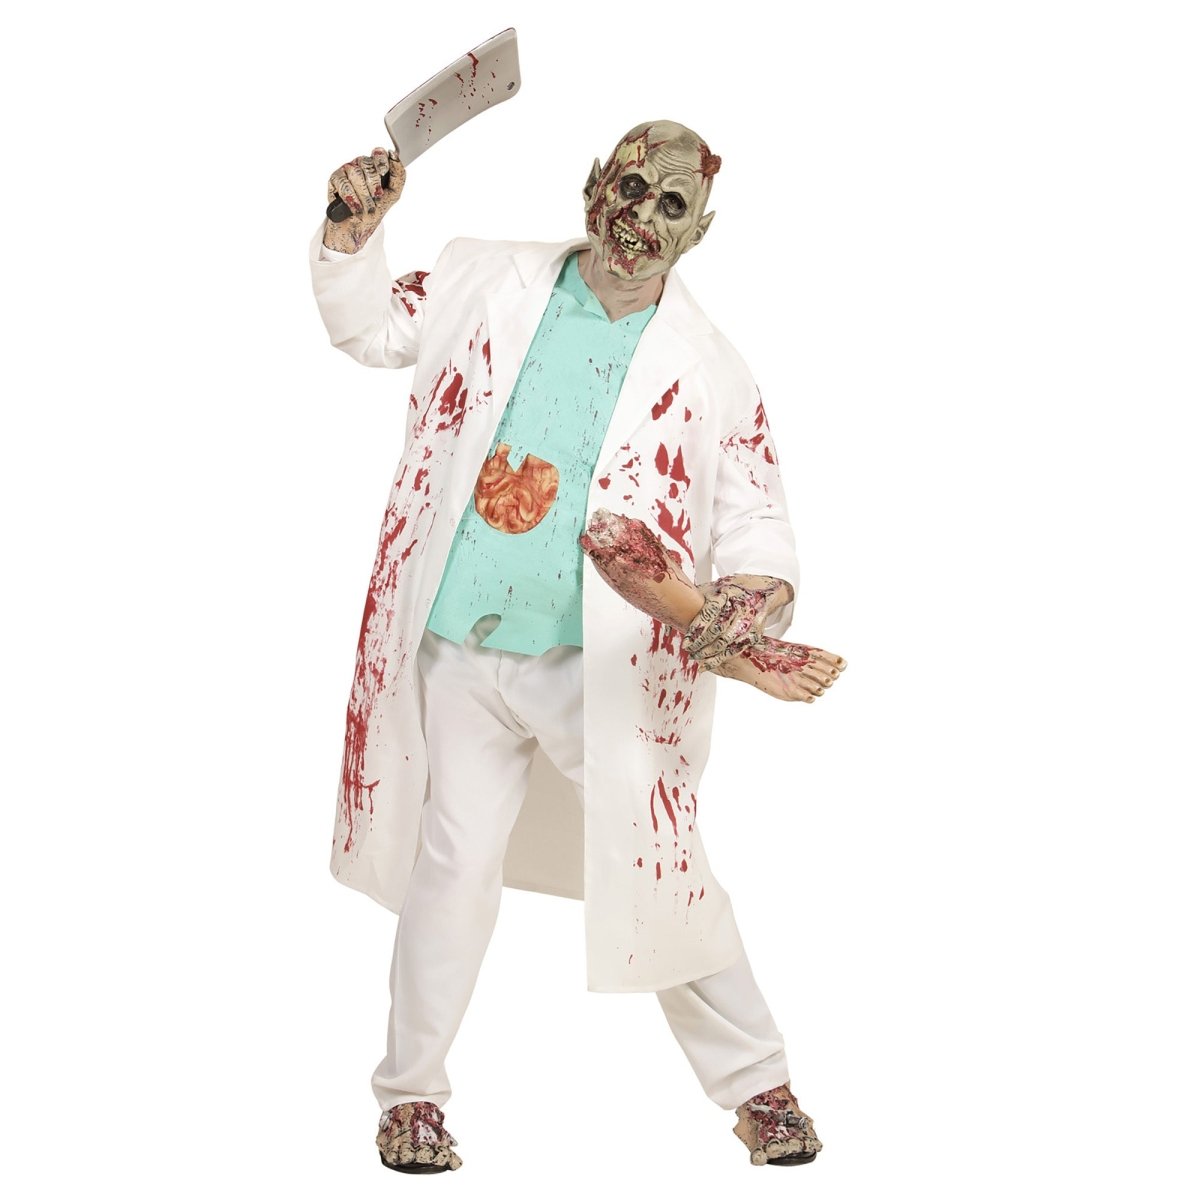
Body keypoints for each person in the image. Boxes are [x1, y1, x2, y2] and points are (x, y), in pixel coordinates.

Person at [310, 120, 837, 1172]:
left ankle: (759, 1087)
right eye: (630, 188)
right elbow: (369, 329)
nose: (640, 219)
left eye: (671, 206)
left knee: (663, 862)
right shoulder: (480, 276)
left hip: (599, 667)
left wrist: (751, 603)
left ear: (699, 232)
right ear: (594, 183)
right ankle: (410, 1097)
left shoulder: (714, 371)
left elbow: (758, 523)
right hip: (457, 644)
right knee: (453, 864)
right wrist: (349, 232)